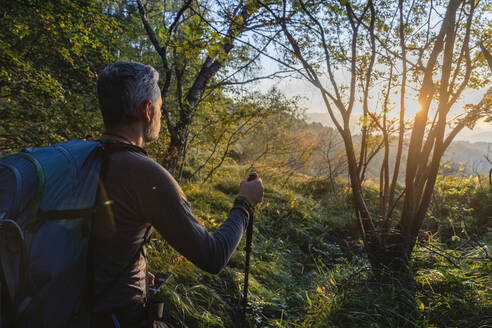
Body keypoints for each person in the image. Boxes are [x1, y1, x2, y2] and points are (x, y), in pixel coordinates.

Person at [90, 61, 264, 327]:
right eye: (160, 107)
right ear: (147, 111)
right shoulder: (145, 174)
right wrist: (244, 204)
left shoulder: (84, 159)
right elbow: (212, 256)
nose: (160, 113)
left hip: (71, 308)